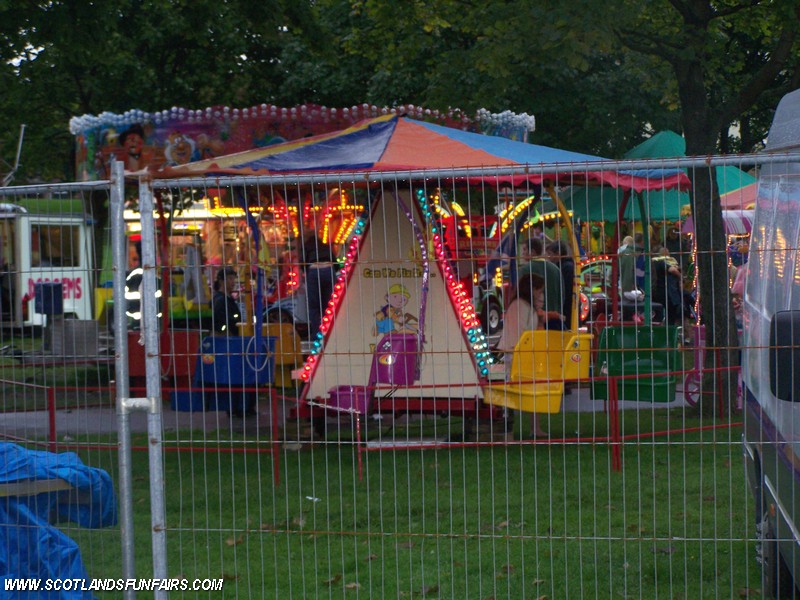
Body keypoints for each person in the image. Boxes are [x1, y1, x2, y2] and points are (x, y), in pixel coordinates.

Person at [495, 273, 548, 438]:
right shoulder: (519, 307)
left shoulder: (524, 306)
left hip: (522, 354)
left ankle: (534, 428)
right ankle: (513, 429)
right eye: (540, 291)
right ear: (531, 289)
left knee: (532, 390)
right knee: (518, 393)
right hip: (514, 355)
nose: (542, 295)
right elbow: (517, 335)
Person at [517, 237, 564, 329]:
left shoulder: (525, 269)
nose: (522, 253)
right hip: (555, 320)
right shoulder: (556, 269)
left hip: (532, 320)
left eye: (525, 249)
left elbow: (520, 295)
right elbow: (562, 296)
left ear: (533, 251)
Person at [302, 233, 338, 338]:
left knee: (314, 306)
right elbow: (335, 262)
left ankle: (317, 334)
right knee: (329, 304)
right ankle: (331, 331)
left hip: (314, 270)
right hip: (328, 269)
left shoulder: (307, 247)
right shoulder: (325, 247)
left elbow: (303, 263)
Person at [651, 245, 683, 325]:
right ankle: (669, 330)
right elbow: (672, 270)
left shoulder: (652, 262)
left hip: (655, 291)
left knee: (658, 314)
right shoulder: (661, 262)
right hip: (666, 292)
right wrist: (681, 277)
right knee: (670, 314)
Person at [546, 240, 575, 327]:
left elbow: (566, 289)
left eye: (550, 254)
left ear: (558, 253)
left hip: (567, 307)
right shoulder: (561, 266)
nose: (548, 257)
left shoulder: (566, 267)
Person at [212, 267, 241, 335]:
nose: (233, 281)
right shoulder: (220, 300)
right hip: (225, 336)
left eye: (234, 278)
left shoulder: (229, 298)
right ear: (221, 281)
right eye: (230, 278)